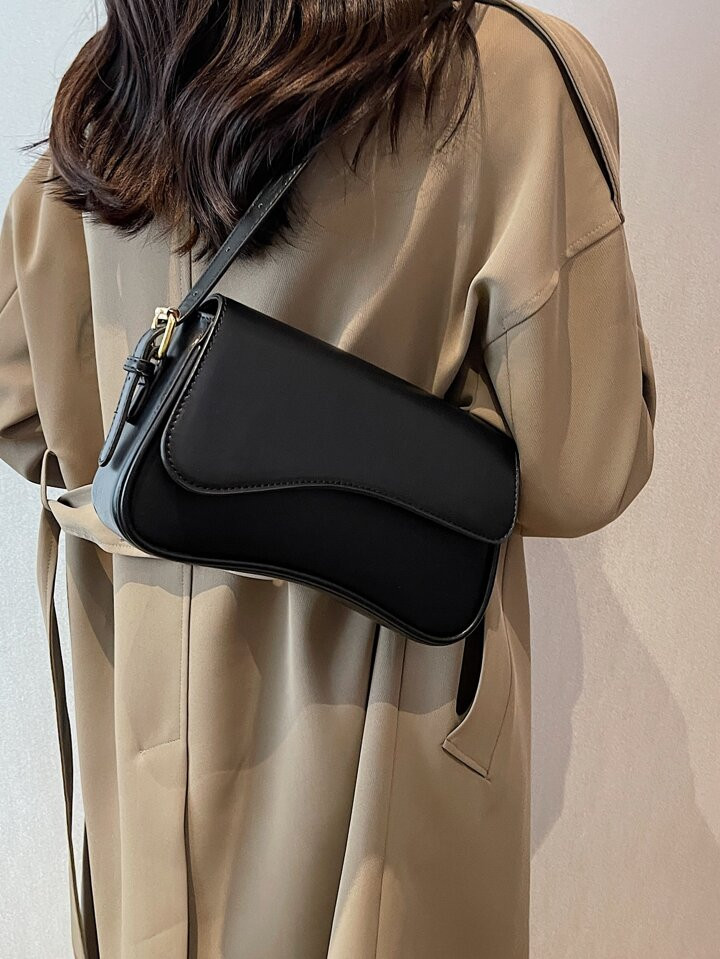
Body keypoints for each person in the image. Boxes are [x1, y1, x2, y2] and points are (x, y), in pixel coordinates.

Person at [0, 1, 656, 957]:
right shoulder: (502, 70)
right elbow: (585, 470)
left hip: (139, 709)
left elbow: (18, 401)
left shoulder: (117, 85)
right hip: (379, 725)